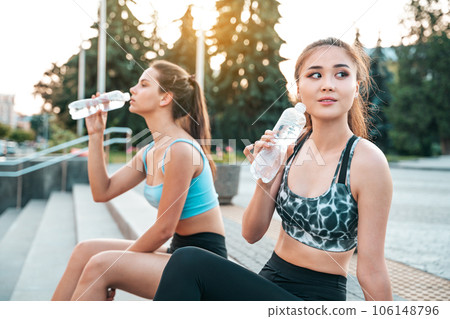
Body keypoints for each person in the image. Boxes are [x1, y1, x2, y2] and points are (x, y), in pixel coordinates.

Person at [153, 38, 393, 301]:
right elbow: (250, 234)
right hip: (268, 281)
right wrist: (266, 180)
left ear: (356, 87)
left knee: (188, 261)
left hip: (315, 299)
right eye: (315, 74)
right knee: (185, 263)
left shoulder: (367, 162)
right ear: (299, 89)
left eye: (341, 74)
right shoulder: (291, 144)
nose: (328, 84)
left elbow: (371, 270)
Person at [52, 60, 227, 301]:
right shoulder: (150, 151)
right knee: (85, 251)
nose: (133, 89)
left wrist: (116, 265)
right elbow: (102, 192)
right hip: (178, 253)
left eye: (143, 84)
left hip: (206, 264)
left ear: (165, 98)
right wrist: (96, 135)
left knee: (100, 264)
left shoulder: (181, 150)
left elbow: (164, 229)